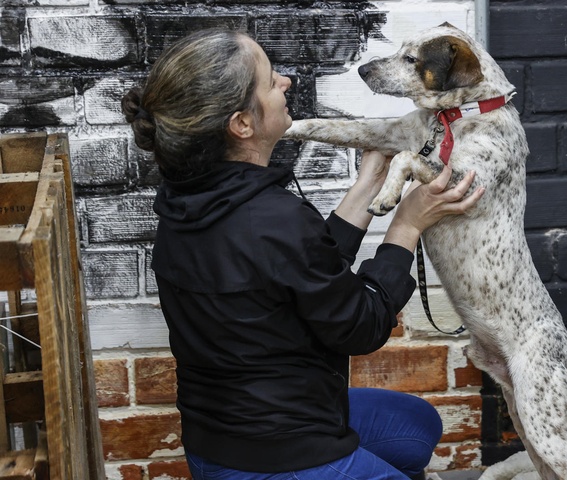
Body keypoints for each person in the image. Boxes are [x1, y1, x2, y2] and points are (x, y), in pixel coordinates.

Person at [120, 27, 485, 480]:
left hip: (219, 437)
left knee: (417, 426)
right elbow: (361, 325)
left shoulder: (186, 200)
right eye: (270, 80)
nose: (286, 82)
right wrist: (408, 223)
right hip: (283, 455)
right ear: (242, 123)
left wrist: (369, 182)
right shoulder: (275, 219)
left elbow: (301, 267)